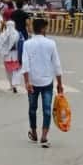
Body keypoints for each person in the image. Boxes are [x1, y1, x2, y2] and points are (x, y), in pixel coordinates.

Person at [22, 18, 65, 148]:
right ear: (42, 29)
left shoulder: (27, 44)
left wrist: (27, 82)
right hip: (47, 81)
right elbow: (56, 64)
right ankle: (44, 136)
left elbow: (25, 64)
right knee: (47, 109)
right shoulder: (51, 43)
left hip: (33, 82)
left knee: (32, 109)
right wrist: (59, 83)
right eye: (45, 28)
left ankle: (34, 132)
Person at [0, 22, 23, 93]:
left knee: (8, 72)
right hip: (16, 55)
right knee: (16, 70)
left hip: (7, 56)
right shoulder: (18, 34)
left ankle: (11, 85)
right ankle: (14, 85)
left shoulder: (3, 34)